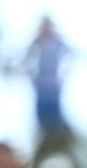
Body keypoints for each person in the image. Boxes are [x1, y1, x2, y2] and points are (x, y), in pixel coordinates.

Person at [28, 17, 71, 159]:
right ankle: (42, 153)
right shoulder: (37, 41)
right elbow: (26, 59)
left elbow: (70, 56)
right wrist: (31, 76)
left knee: (55, 125)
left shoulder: (58, 42)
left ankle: (58, 152)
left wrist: (63, 77)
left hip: (53, 89)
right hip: (41, 89)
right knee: (42, 126)